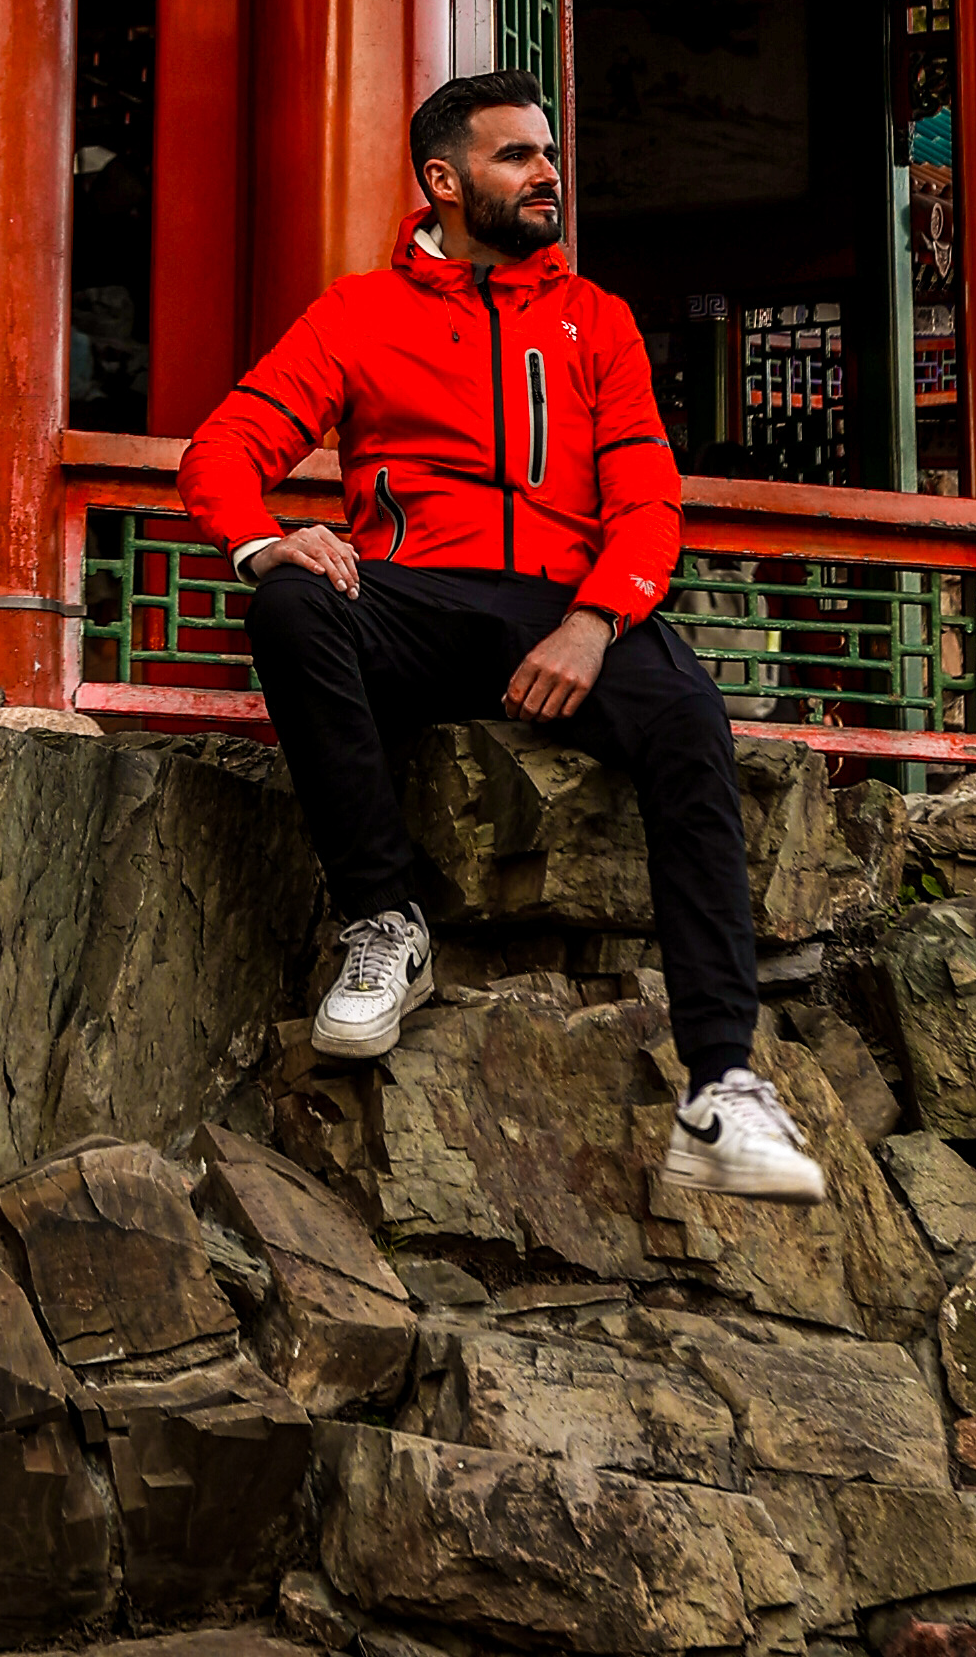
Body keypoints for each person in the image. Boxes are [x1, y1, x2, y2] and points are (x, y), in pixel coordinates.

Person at [179, 71, 826, 1202]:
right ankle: (386, 924)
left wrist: (594, 621)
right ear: (444, 180)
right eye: (517, 156)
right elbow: (224, 448)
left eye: (548, 154)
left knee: (687, 718)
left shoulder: (597, 319)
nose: (547, 174)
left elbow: (647, 499)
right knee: (290, 606)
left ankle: (722, 1081)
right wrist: (261, 541)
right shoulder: (356, 314)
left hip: (566, 605)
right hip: (417, 599)